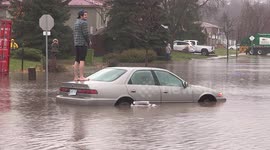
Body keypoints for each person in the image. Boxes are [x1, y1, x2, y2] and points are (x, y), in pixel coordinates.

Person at [73, 9, 90, 81]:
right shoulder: (84, 23)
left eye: (87, 15)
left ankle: (76, 77)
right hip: (82, 44)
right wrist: (89, 42)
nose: (86, 16)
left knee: (77, 60)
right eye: (85, 15)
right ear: (81, 15)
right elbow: (85, 34)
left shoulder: (76, 22)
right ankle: (82, 76)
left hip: (76, 43)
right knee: (82, 60)